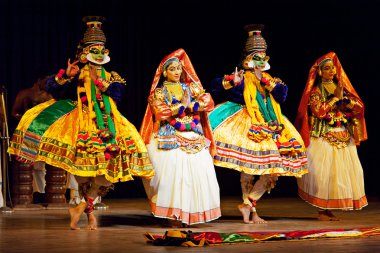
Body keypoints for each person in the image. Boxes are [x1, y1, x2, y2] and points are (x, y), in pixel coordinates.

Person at [7, 16, 154, 229]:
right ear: (85, 52)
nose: (98, 53)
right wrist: (64, 76)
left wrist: (106, 86)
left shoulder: (112, 76)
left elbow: (119, 96)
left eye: (101, 49)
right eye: (93, 49)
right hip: (80, 121)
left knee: (107, 172)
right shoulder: (76, 73)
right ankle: (88, 213)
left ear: (106, 52)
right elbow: (52, 89)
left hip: (109, 123)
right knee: (84, 171)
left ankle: (83, 206)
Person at [208, 24, 308, 224]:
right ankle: (251, 210)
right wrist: (232, 81)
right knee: (250, 167)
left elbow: (283, 95)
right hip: (246, 121)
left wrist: (266, 81)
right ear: (247, 60)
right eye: (257, 57)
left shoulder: (270, 79)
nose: (261, 61)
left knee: (274, 168)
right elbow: (215, 87)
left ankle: (249, 203)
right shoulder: (242, 78)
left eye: (263, 57)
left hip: (272, 123)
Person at [140, 48, 221, 227]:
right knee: (172, 176)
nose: (177, 72)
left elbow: (208, 102)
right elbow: (160, 112)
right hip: (168, 134)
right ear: (164, 73)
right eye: (172, 69)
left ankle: (189, 214)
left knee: (196, 174)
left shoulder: (191, 87)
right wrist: (181, 107)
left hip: (193, 135)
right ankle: (173, 215)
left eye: (179, 69)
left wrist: (190, 105)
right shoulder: (159, 92)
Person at [295, 52, 368, 221]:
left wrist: (347, 101)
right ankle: (322, 211)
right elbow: (318, 111)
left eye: (332, 68)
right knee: (323, 173)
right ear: (320, 72)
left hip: (342, 133)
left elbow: (358, 107)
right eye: (326, 69)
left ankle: (328, 210)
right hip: (323, 135)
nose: (331, 72)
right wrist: (335, 98)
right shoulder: (316, 91)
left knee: (341, 173)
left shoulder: (340, 87)